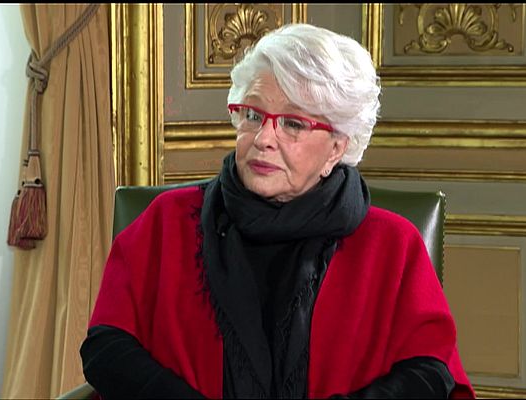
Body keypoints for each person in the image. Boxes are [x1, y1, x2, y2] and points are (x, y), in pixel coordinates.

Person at [80, 23, 475, 399]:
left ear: (337, 147)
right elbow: (107, 347)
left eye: (293, 123)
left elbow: (430, 371)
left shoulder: (391, 243)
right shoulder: (167, 220)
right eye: (253, 115)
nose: (264, 138)